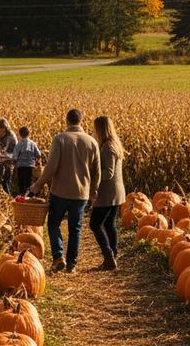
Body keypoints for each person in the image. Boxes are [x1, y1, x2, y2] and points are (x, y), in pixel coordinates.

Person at [30, 109, 100, 274]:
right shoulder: (92, 142)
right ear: (81, 121)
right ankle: (72, 264)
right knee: (75, 228)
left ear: (67, 121)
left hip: (60, 191)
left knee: (53, 224)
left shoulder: (60, 139)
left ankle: (58, 256)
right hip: (81, 193)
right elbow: (97, 171)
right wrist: (93, 191)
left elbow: (51, 167)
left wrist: (38, 184)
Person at [89, 115, 126, 271]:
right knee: (109, 224)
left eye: (95, 128)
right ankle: (113, 254)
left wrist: (92, 175)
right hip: (117, 192)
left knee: (95, 224)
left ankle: (108, 255)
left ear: (101, 129)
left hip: (108, 193)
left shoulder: (107, 147)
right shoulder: (114, 144)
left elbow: (108, 173)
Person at [11, 126, 42, 196]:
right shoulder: (33, 144)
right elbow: (39, 154)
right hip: (30, 166)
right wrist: (36, 161)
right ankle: (29, 197)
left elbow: (15, 157)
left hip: (21, 166)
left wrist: (14, 163)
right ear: (29, 134)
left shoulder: (19, 144)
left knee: (21, 182)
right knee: (29, 182)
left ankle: (22, 196)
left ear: (20, 134)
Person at [0, 118, 17, 194]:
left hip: (8, 162)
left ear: (5, 128)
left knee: (5, 182)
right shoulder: (1, 134)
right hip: (1, 162)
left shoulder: (10, 136)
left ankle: (7, 201)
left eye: (0, 129)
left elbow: (5, 149)